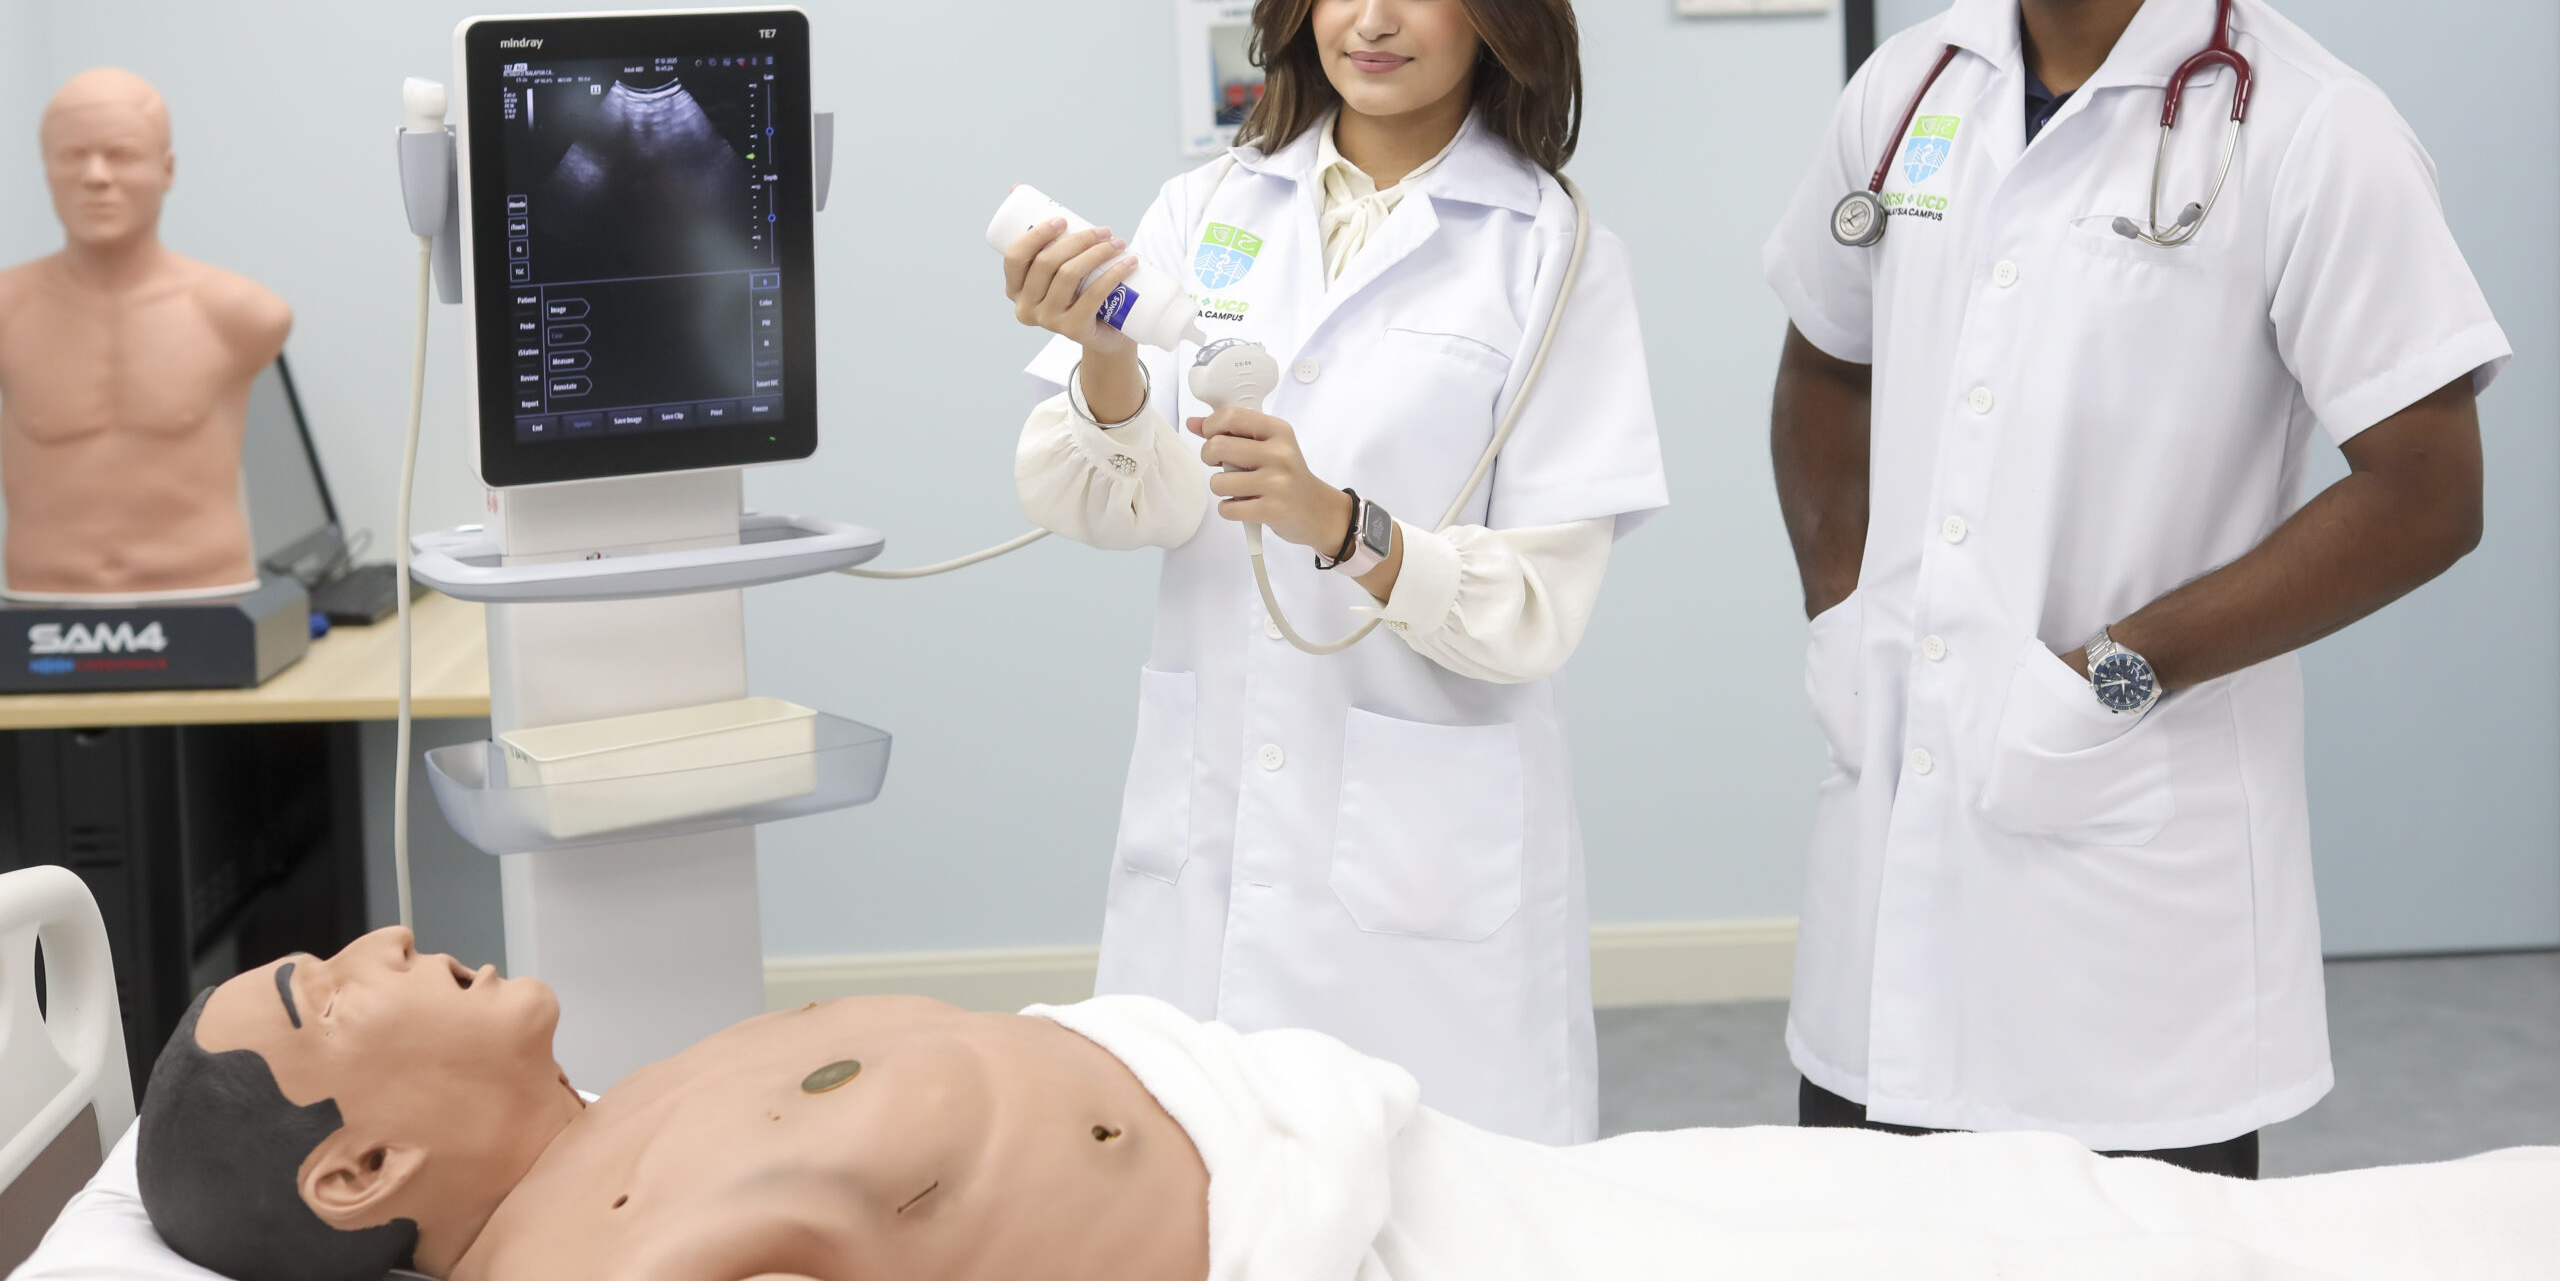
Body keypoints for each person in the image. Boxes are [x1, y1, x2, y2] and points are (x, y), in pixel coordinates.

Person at [1762, 0, 2508, 1175]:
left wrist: (2116, 674)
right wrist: (1840, 612)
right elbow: (1826, 362)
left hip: (2130, 893)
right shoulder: (1905, 92)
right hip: (1890, 856)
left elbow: (2427, 489)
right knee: (1857, 1218)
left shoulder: (2307, 125)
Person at [1001, 0, 1666, 1143]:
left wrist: (1342, 524)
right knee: (1206, 1190)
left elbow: (1538, 608)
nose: (1374, 17)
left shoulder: (1553, 252)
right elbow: (1093, 502)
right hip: (1214, 828)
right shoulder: (1207, 210)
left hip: (1425, 861)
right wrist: (1109, 366)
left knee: (1431, 1207)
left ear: (1494, 0)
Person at [107, 929, 2560, 1281]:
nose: (376, 935)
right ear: (357, 1166)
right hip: (1422, 1257)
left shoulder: (628, 1111)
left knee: (2052, 1203)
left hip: (1471, 1183)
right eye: (330, 983)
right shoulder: (604, 1255)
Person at [0, 67, 292, 600]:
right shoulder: (8, 312)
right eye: (72, 155)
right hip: (43, 606)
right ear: (46, 170)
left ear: (167, 169)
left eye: (121, 155)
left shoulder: (241, 314)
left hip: (204, 598)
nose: (95, 176)